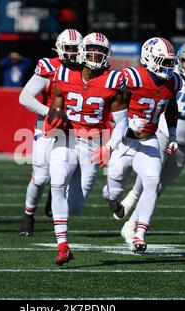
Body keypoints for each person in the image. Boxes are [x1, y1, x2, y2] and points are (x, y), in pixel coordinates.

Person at [118, 41, 185, 244]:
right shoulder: (169, 74)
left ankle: (130, 225)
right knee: (151, 178)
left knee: (158, 188)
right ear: (179, 61)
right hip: (162, 133)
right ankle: (132, 196)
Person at [47, 32, 127, 265]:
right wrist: (54, 119)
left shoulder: (113, 81)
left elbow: (122, 122)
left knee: (77, 205)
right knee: (58, 182)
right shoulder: (62, 74)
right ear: (82, 51)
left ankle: (106, 199)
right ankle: (63, 246)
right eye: (91, 50)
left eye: (100, 52)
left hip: (95, 140)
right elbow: (55, 106)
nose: (95, 55)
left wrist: (110, 147)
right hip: (68, 137)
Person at [102, 37, 181, 254]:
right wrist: (126, 120)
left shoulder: (173, 82)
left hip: (149, 140)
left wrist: (172, 136)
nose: (168, 67)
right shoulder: (132, 77)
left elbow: (172, 108)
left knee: (152, 183)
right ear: (148, 59)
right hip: (125, 141)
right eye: (162, 61)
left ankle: (139, 234)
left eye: (169, 62)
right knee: (111, 193)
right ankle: (116, 205)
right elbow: (109, 102)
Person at [18, 29, 83, 236]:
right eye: (69, 49)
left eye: (77, 49)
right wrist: (51, 113)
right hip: (47, 128)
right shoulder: (49, 66)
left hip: (74, 130)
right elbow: (25, 97)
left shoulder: (87, 69)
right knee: (39, 178)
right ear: (60, 48)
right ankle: (28, 214)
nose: (73, 53)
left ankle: (57, 209)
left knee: (67, 175)